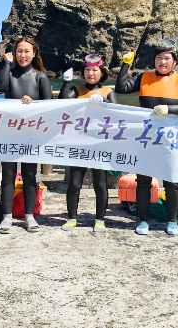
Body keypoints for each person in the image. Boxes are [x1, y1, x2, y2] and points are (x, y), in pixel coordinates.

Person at [115, 39, 178, 236]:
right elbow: (120, 88)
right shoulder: (144, 77)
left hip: (171, 138)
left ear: (175, 62)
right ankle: (143, 220)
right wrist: (126, 65)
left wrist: (169, 109)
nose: (163, 62)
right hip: (147, 138)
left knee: (171, 181)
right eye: (159, 58)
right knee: (143, 180)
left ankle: (172, 221)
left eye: (167, 58)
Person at [0, 36, 52, 234]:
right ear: (14, 53)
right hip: (10, 132)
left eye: (27, 51)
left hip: (31, 133)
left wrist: (33, 104)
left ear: (34, 53)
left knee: (29, 175)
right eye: (19, 51)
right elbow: (1, 87)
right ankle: (7, 217)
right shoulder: (9, 73)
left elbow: (48, 106)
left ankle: (29, 216)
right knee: (8, 175)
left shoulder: (40, 77)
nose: (23, 55)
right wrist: (6, 63)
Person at [58, 53, 116, 233]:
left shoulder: (108, 91)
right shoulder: (77, 90)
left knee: (100, 183)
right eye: (87, 69)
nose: (91, 73)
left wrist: (104, 101)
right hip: (79, 142)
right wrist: (66, 82)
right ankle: (71, 218)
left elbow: (117, 113)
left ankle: (100, 219)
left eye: (94, 70)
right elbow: (61, 103)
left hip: (99, 143)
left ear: (101, 72)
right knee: (75, 183)